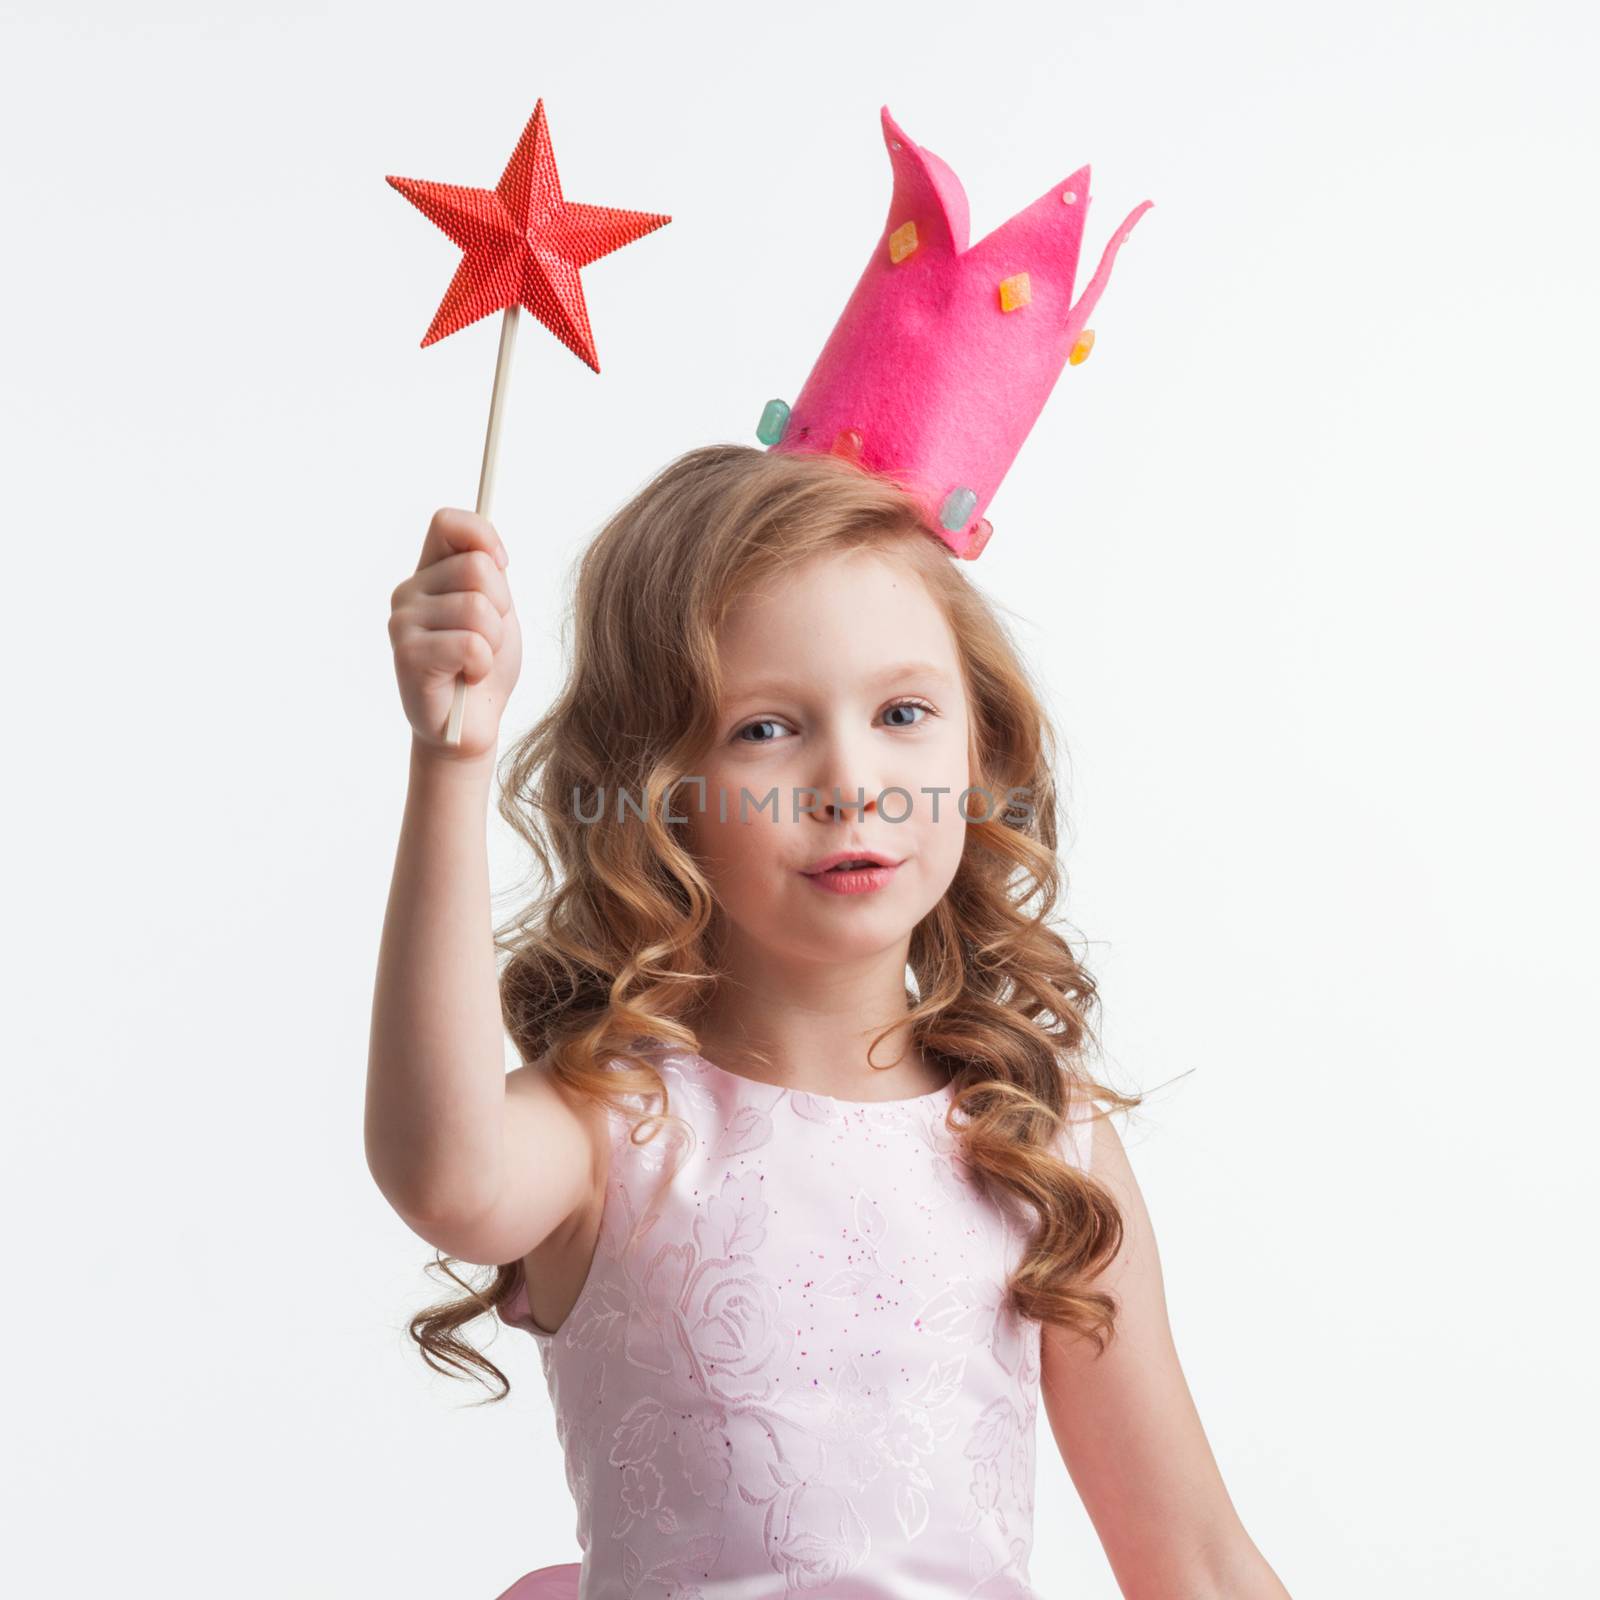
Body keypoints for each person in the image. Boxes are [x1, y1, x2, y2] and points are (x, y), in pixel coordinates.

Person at [367, 443, 1291, 1599]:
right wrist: (450, 763)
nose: (852, 781)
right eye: (764, 728)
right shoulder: (612, 1126)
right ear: (660, 791)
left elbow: (1192, 1560)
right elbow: (446, 1174)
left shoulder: (1037, 1141)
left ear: (977, 748)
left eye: (903, 711)